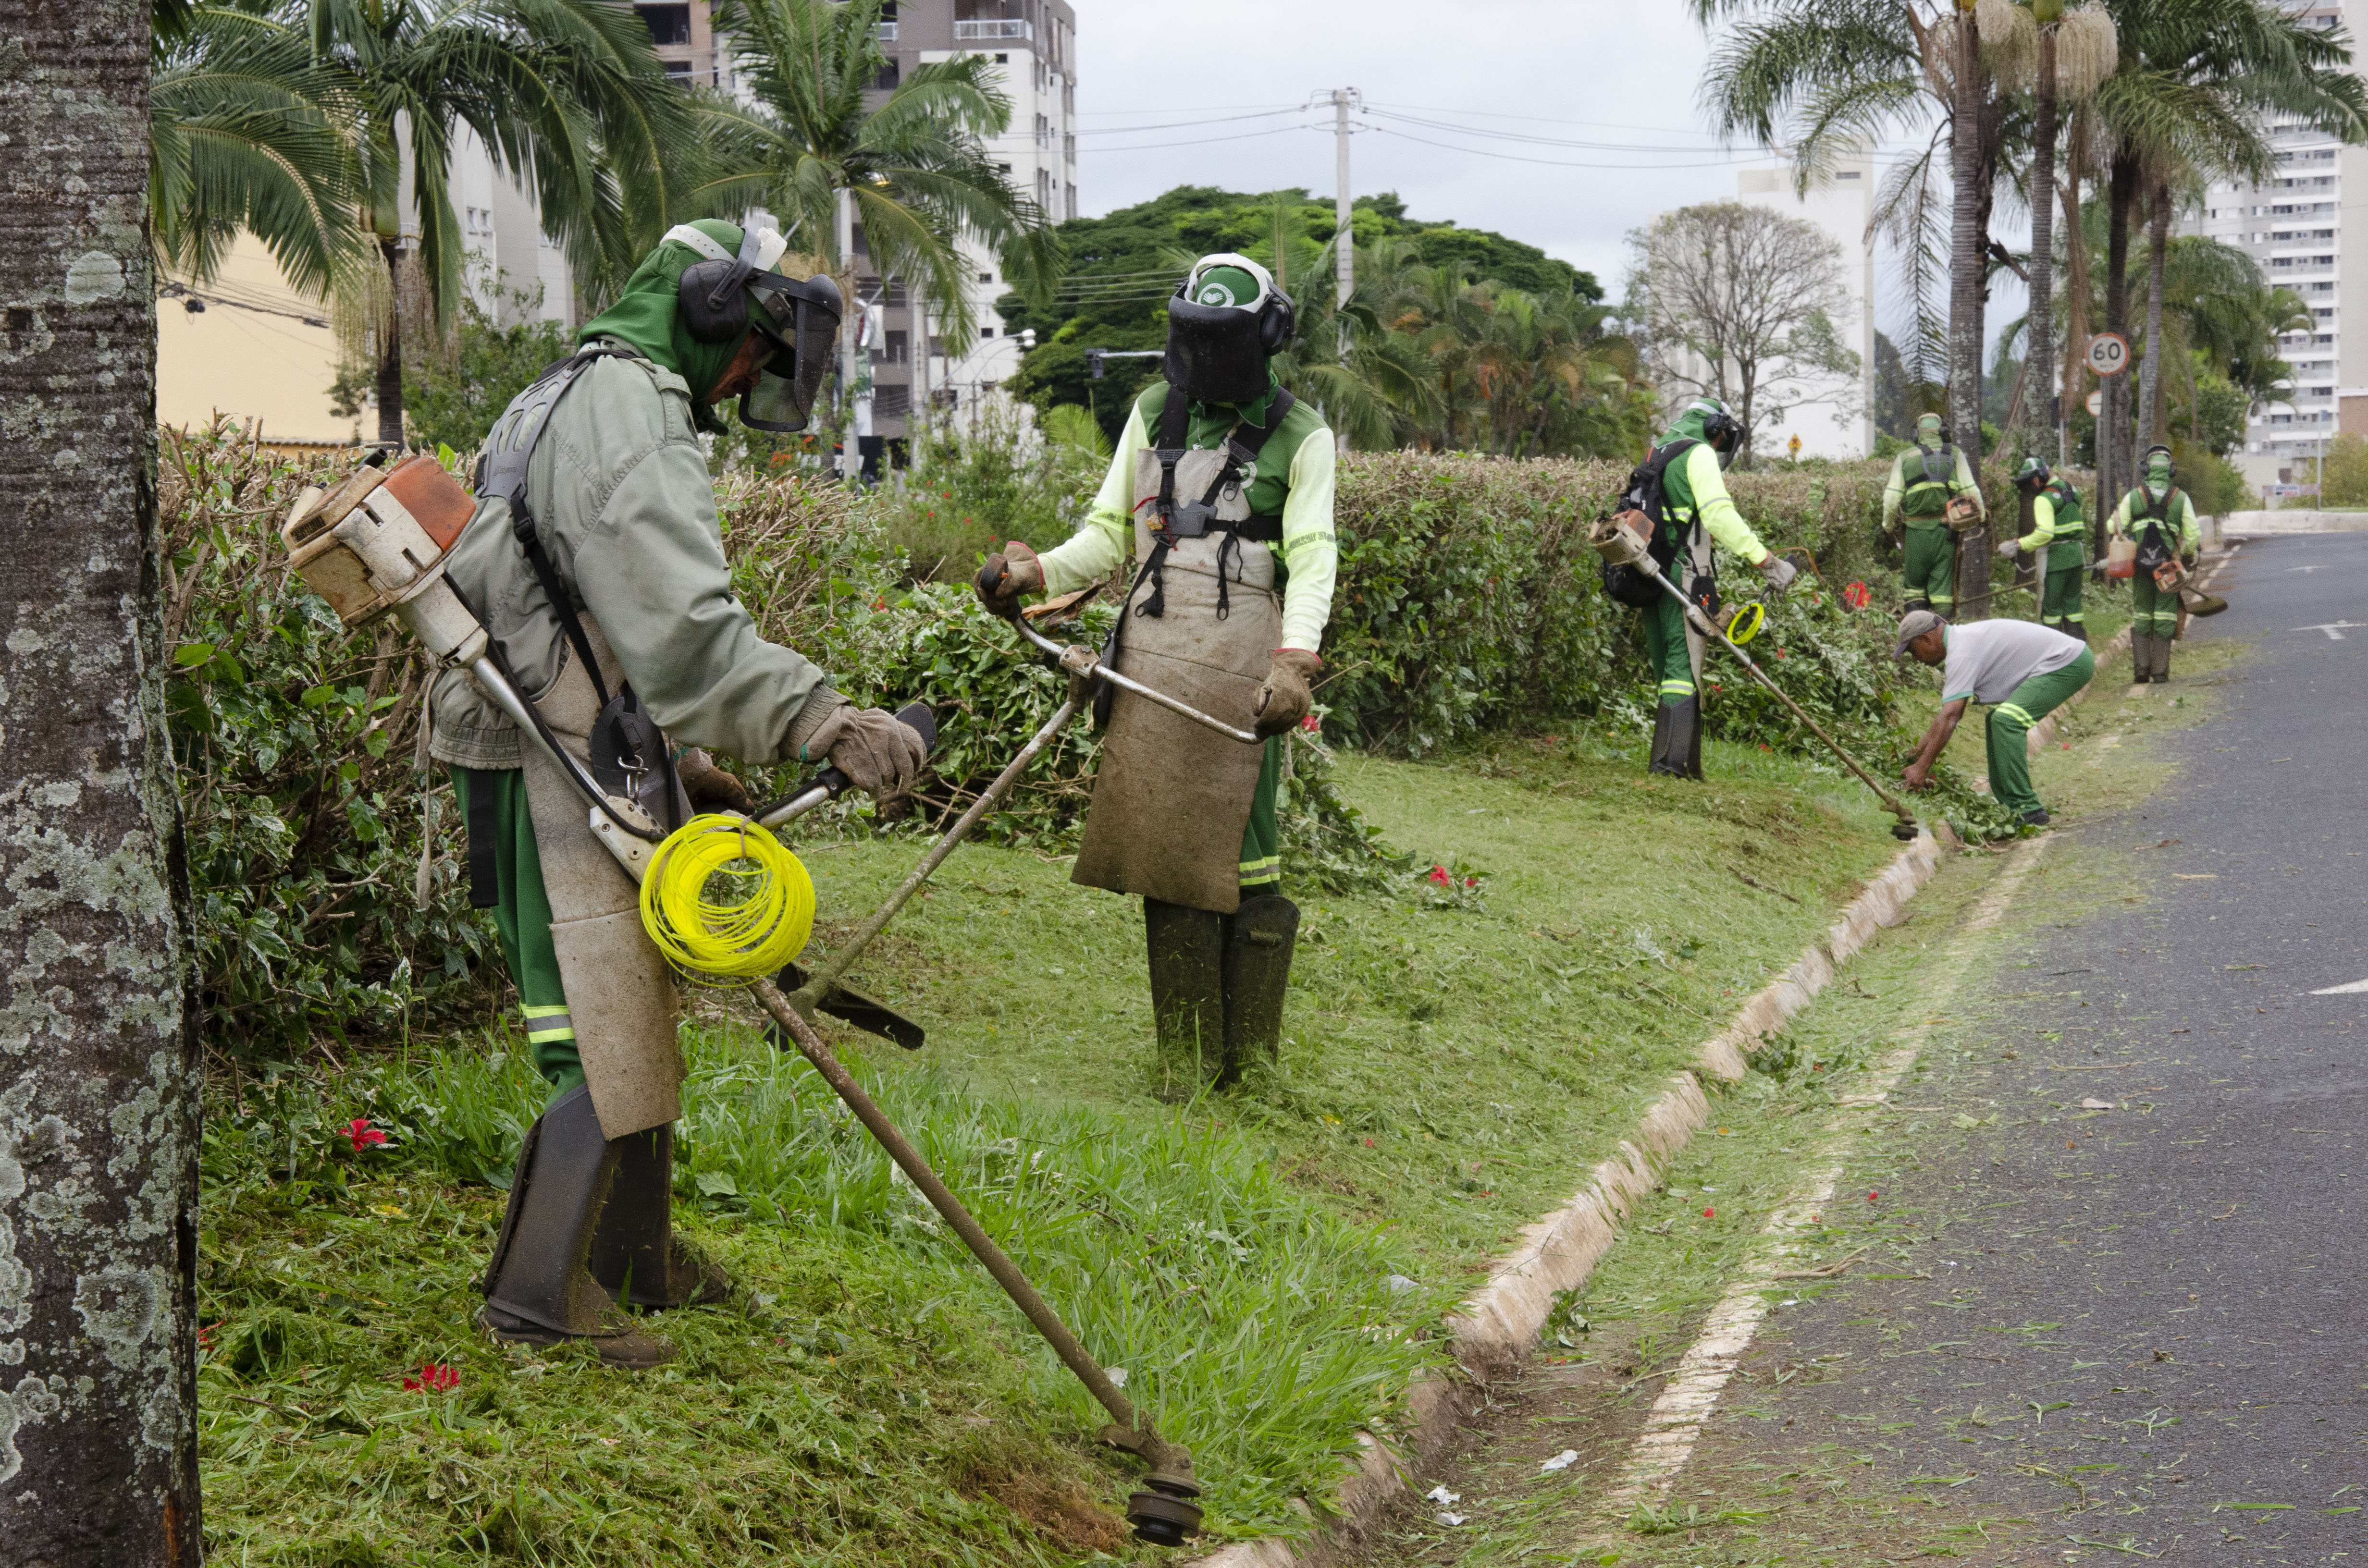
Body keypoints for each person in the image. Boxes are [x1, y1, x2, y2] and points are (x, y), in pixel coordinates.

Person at [429, 220, 927, 1367]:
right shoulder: (631, 410)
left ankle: (633, 1259)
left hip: (576, 732)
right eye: (755, 350)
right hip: (551, 749)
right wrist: (821, 719)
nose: (750, 378)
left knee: (632, 1003)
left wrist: (678, 757)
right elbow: (684, 628)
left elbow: (574, 595)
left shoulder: (570, 389)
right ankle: (538, 1297)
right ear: (708, 308)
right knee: (591, 1023)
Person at [973, 254, 1332, 1086]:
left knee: (1246, 851)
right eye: (1195, 340)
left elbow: (1314, 553)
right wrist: (1035, 573)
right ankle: (1186, 1064)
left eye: (1223, 344)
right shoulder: (1151, 411)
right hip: (1154, 651)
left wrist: (1294, 660)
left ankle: (1248, 1067)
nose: (1206, 360)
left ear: (1264, 339)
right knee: (1163, 850)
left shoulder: (1301, 433)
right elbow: (1110, 533)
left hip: (1246, 665)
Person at [1619, 396, 1796, 779]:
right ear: (1716, 429)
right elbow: (1718, 514)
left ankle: (1677, 763)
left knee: (1667, 665)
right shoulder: (1697, 453)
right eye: (1722, 438)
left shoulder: (1658, 451)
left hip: (1648, 570)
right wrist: (1765, 560)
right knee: (1683, 664)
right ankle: (1671, 766)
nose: (1720, 446)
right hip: (1681, 571)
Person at [1894, 609, 2094, 828]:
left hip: (2069, 662)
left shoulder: (1962, 652)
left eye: (1914, 652)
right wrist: (1916, 755)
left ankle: (2028, 810)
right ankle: (2010, 806)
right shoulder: (1961, 643)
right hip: (2065, 660)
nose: (1916, 659)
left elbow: (1951, 715)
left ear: (1926, 639)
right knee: (1995, 720)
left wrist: (1922, 768)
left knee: (2007, 722)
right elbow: (1947, 715)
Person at [2108, 444, 2200, 684]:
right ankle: (2160, 672)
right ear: (2171, 471)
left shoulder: (2134, 496)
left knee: (2142, 613)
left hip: (2140, 566)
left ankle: (2141, 670)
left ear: (2146, 470)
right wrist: (2187, 556)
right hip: (2168, 569)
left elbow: (2112, 527)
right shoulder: (2180, 498)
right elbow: (2194, 536)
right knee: (2165, 615)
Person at [1881, 412, 1985, 616]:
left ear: (1917, 434)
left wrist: (1888, 527)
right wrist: (1981, 517)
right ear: (1943, 431)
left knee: (1914, 589)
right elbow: (1972, 491)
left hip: (1915, 534)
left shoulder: (1904, 458)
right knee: (1943, 591)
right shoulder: (1955, 454)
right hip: (1946, 533)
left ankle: (1916, 629)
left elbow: (1891, 500)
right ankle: (1943, 630)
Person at [1998, 458, 2087, 640]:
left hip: (2057, 560)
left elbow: (2046, 533)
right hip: (2077, 557)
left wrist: (2018, 544)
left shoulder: (2044, 499)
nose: (2030, 489)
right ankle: (2079, 648)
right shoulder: (2071, 489)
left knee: (2051, 610)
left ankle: (2054, 650)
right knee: (2073, 608)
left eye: (2029, 484)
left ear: (2037, 480)